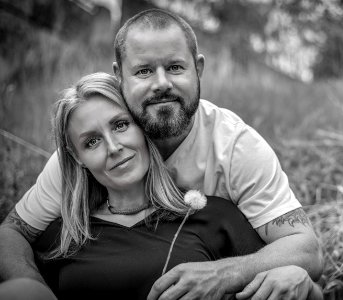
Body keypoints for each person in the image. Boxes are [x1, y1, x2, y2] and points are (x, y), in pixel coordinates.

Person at [0, 8, 323, 300]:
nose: (161, 84)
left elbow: (305, 250)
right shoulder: (88, 152)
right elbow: (12, 232)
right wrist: (30, 285)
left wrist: (223, 273)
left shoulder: (236, 147)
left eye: (175, 67)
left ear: (198, 69)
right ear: (119, 76)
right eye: (143, 71)